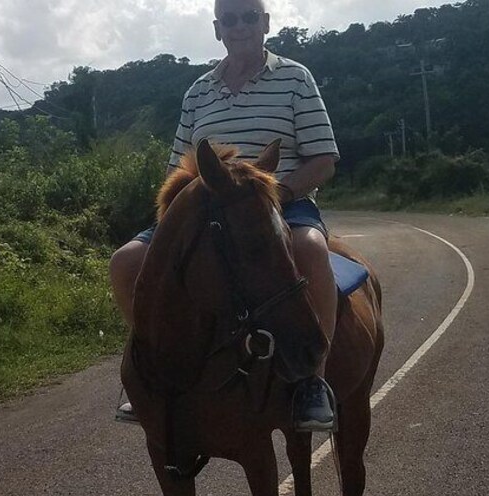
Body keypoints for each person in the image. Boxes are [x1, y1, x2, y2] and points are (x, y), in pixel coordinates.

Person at [110, 0, 339, 431]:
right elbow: (177, 168)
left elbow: (323, 159)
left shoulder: (295, 78)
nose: (240, 26)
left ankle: (312, 380)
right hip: (205, 212)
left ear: (265, 23)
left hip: (278, 203)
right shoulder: (198, 91)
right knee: (125, 263)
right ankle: (155, 365)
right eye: (230, 19)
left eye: (249, 17)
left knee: (308, 248)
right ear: (218, 29)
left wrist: (275, 192)